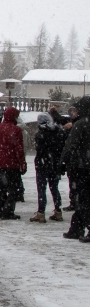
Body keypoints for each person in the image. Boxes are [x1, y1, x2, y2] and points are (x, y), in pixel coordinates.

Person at [62, 96, 90, 240]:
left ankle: (78, 228)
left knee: (82, 200)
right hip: (84, 166)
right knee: (83, 199)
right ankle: (76, 228)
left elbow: (70, 146)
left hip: (81, 168)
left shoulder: (80, 125)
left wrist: (62, 163)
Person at [0, 106, 26, 220]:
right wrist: (22, 163)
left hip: (0, 164)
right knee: (13, 189)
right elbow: (19, 148)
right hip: (12, 164)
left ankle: (0, 209)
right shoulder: (16, 130)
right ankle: (8, 211)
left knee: (1, 188)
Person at [32, 113, 66, 223]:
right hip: (55, 165)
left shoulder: (40, 135)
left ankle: (41, 213)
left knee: (42, 189)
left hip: (43, 165)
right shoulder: (59, 132)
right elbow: (61, 148)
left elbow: (39, 150)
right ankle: (58, 211)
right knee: (54, 188)